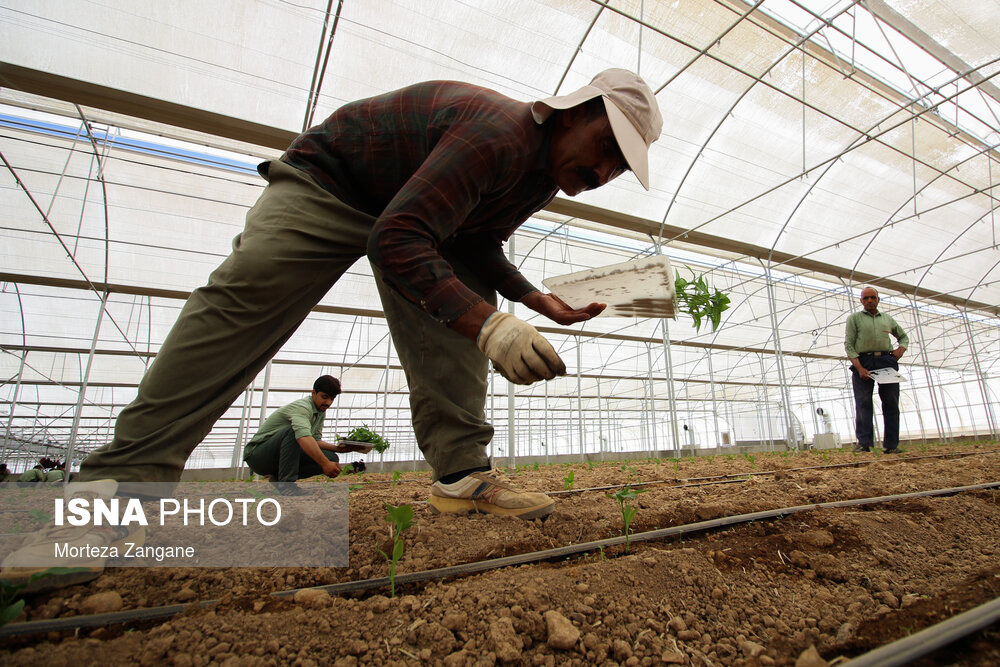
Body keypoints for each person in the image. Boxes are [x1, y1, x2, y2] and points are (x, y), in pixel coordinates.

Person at [1, 69, 662, 587]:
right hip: (334, 185)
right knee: (243, 298)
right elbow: (396, 235)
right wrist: (494, 328)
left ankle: (464, 477)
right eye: (604, 149)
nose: (602, 173)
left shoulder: (541, 177)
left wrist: (531, 301)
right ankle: (117, 493)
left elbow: (476, 238)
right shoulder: (498, 133)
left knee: (459, 311)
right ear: (573, 111)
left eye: (617, 169)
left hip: (414, 216)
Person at [243, 375, 359, 493]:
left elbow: (315, 440)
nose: (328, 402)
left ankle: (279, 479)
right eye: (324, 397)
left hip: (278, 458)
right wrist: (324, 464)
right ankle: (287, 486)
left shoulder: (320, 412)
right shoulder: (303, 408)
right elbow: (303, 437)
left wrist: (338, 449)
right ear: (314, 393)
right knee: (295, 432)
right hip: (258, 456)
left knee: (331, 457)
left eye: (332, 399)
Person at [845, 287, 909, 453]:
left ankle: (891, 445)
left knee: (891, 402)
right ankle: (864, 443)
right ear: (861, 301)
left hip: (886, 360)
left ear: (878, 299)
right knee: (863, 402)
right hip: (863, 361)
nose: (869, 301)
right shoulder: (854, 319)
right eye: (865, 298)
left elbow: (903, 337)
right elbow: (849, 345)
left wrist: (901, 349)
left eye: (873, 297)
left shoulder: (887, 319)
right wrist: (859, 367)